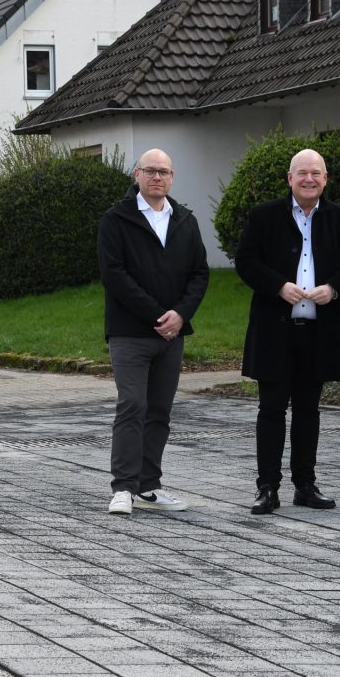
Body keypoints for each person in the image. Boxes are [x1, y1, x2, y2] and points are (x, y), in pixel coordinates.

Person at [235, 149, 340, 515]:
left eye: (316, 173)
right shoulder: (264, 216)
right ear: (289, 179)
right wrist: (278, 286)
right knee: (271, 410)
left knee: (309, 410)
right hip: (275, 330)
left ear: (325, 179)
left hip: (320, 331)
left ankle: (305, 485)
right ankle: (267, 488)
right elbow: (245, 260)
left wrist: (334, 288)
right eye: (302, 173)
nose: (309, 179)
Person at [98, 148, 209, 515]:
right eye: (150, 171)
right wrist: (158, 314)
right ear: (137, 175)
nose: (157, 177)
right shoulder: (116, 220)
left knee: (159, 409)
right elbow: (114, 275)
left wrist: (180, 314)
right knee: (133, 405)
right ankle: (123, 487)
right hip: (130, 333)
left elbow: (199, 274)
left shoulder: (185, 220)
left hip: (172, 335)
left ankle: (149, 486)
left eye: (164, 171)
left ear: (172, 177)